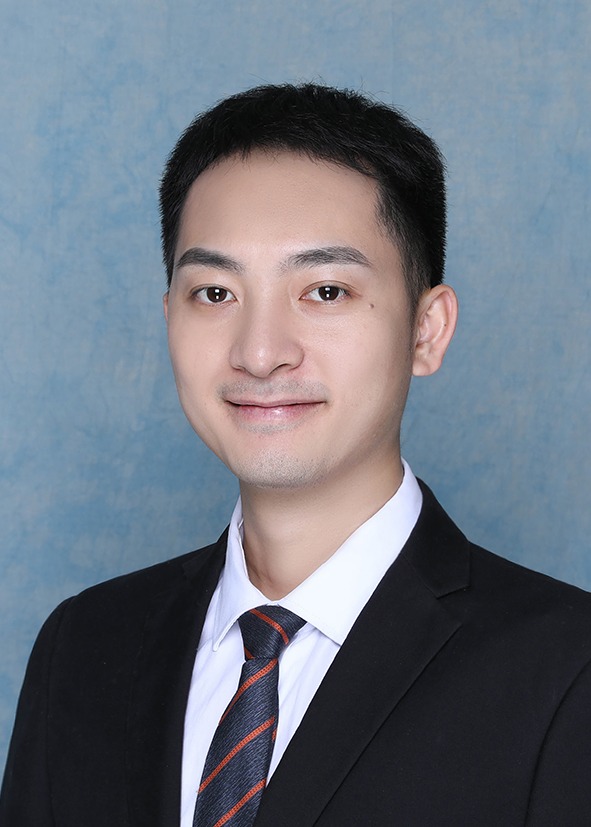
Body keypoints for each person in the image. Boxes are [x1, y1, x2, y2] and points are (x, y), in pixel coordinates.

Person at [2, 82, 591, 827]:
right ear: (168, 316)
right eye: (215, 293)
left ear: (426, 330)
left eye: (326, 291)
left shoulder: (567, 670)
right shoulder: (83, 648)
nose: (259, 352)